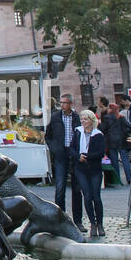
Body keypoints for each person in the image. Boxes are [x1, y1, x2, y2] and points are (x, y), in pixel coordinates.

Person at [44, 93, 84, 231]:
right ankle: (60, 219)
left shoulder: (77, 117)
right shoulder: (55, 117)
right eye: (61, 102)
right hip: (61, 155)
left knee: (77, 189)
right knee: (60, 187)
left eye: (65, 102)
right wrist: (54, 149)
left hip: (74, 155)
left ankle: (78, 221)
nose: (62, 105)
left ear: (71, 104)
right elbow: (47, 135)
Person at [71, 109, 107, 239]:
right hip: (81, 168)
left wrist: (87, 156)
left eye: (85, 119)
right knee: (87, 196)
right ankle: (92, 223)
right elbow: (72, 148)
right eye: (82, 119)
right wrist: (78, 157)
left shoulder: (98, 135)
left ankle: (100, 224)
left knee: (96, 197)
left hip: (94, 168)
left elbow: (101, 153)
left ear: (92, 121)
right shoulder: (78, 131)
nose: (83, 121)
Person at [100, 102, 131, 185]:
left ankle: (117, 179)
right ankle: (129, 178)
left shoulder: (107, 117)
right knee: (125, 160)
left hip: (111, 141)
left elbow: (103, 128)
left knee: (114, 161)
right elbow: (129, 126)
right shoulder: (121, 117)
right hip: (122, 140)